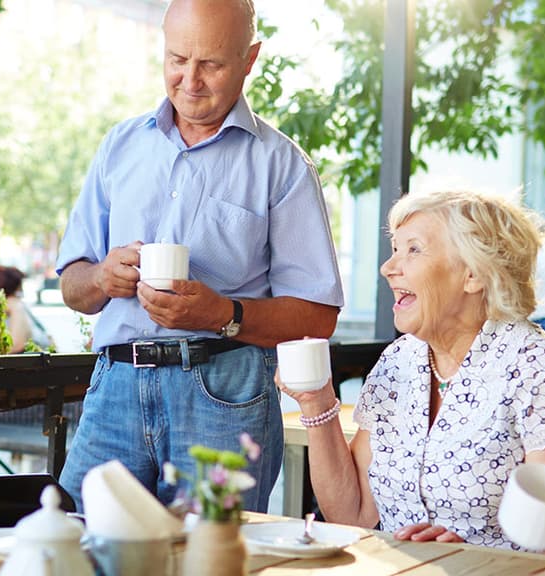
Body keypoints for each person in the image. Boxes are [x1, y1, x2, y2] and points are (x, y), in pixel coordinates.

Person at [54, 0, 344, 511]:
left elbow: (318, 316)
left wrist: (222, 314)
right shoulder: (119, 147)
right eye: (177, 59)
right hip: (115, 387)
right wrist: (103, 276)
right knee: (79, 548)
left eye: (211, 63)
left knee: (210, 560)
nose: (190, 79)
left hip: (223, 394)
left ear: (250, 58)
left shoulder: (283, 165)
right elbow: (72, 286)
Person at [281, 190, 545, 555]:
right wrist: (317, 402)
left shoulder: (539, 366)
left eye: (413, 249)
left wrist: (477, 559)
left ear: (472, 273)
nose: (388, 267)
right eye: (395, 249)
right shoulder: (399, 361)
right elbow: (353, 515)